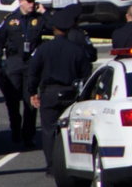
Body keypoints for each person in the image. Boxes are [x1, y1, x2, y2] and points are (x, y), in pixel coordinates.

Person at [28, 9, 90, 177]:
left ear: (53, 29)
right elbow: (86, 72)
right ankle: (72, 164)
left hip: (49, 93)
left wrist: (32, 92)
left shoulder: (44, 49)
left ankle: (51, 166)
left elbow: (33, 72)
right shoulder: (77, 50)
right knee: (71, 130)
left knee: (48, 131)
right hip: (70, 93)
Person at [0, 0, 45, 148]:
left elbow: (56, 26)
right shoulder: (10, 20)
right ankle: (15, 129)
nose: (32, 4)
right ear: (21, 1)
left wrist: (45, 12)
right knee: (12, 102)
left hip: (31, 65)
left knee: (31, 101)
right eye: (29, 1)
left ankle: (28, 135)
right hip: (13, 65)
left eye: (33, 1)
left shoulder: (38, 19)